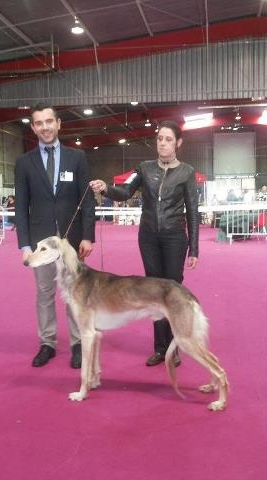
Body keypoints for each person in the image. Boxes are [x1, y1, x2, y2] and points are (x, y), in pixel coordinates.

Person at [90, 120, 199, 367]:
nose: (163, 143)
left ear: (178, 143)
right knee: (153, 294)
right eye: (160, 138)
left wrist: (194, 248)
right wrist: (106, 188)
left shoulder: (187, 172)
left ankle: (175, 347)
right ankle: (160, 349)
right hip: (148, 237)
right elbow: (125, 192)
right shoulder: (144, 168)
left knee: (172, 293)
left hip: (175, 238)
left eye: (168, 139)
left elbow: (193, 211)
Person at [15, 103, 95, 369]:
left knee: (75, 291)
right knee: (44, 292)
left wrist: (88, 236)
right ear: (33, 127)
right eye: (39, 123)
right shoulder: (24, 163)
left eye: (49, 121)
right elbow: (21, 207)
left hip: (72, 239)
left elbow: (87, 200)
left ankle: (77, 343)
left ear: (59, 124)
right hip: (40, 241)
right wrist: (25, 246)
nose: (45, 127)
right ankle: (47, 343)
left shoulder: (77, 157)